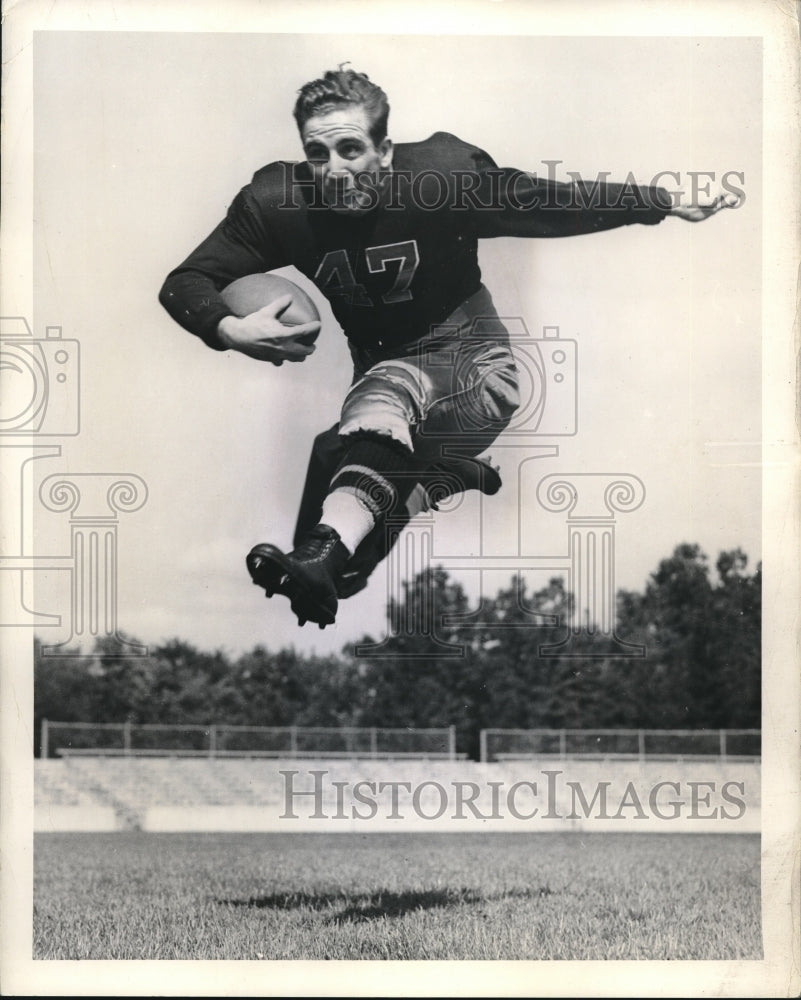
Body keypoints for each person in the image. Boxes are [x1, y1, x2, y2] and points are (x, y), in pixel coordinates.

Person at [159, 66, 735, 629]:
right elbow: (186, 280)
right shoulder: (275, 201)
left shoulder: (440, 180)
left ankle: (410, 488)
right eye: (317, 153)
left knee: (369, 439)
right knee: (341, 564)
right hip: (385, 372)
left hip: (474, 364)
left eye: (351, 149)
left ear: (386, 151)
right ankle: (428, 484)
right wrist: (227, 329)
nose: (334, 170)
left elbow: (551, 202)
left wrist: (659, 200)